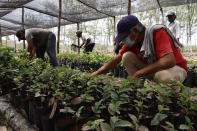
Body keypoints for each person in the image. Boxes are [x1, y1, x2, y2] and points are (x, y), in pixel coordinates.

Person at [91, 15, 188, 84]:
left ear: (135, 31)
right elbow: (115, 61)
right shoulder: (133, 42)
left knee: (163, 77)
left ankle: (173, 97)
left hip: (175, 68)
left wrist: (139, 72)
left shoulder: (157, 32)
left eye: (125, 37)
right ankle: (140, 89)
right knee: (126, 56)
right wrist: (97, 73)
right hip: (155, 69)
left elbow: (169, 61)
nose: (123, 41)